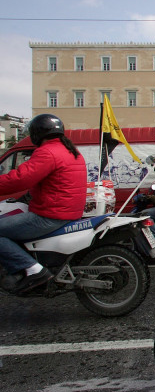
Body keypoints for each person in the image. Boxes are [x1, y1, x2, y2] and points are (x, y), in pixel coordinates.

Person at [0, 114, 87, 293]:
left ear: (37, 133)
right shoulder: (69, 150)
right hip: (66, 211)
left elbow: (20, 179)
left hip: (50, 215)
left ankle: (33, 270)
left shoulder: (47, 152)